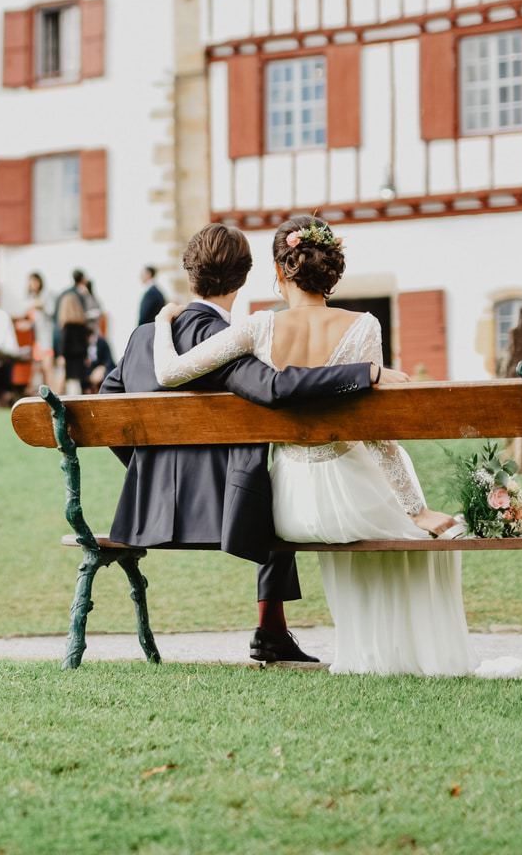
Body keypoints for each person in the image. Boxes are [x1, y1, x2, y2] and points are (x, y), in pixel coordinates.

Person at [149, 215, 469, 676]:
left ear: (281, 272)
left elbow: (169, 373)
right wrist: (415, 509)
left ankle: (367, 643)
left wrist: (164, 321)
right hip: (346, 497)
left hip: (287, 506)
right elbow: (378, 435)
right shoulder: (364, 326)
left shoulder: (258, 328)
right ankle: (400, 649)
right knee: (431, 532)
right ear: (330, 270)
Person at [103, 221, 399, 667]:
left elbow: (107, 410)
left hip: (146, 509)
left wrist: (146, 468)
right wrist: (364, 373)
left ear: (189, 273)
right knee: (278, 474)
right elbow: (276, 389)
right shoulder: (224, 341)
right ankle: (270, 628)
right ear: (244, 279)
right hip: (225, 513)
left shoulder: (142, 337)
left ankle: (273, 631)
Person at [55, 270, 94, 395]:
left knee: (72, 384)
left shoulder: (67, 327)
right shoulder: (82, 326)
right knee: (79, 383)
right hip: (80, 358)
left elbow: (64, 342)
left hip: (70, 358)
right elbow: (85, 342)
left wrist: (61, 355)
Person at [25, 271, 56, 393]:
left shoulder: (46, 296)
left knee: (47, 367)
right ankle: (41, 394)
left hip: (47, 338)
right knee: (38, 369)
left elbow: (51, 312)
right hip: (37, 339)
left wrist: (41, 306)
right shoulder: (31, 298)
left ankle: (53, 394)